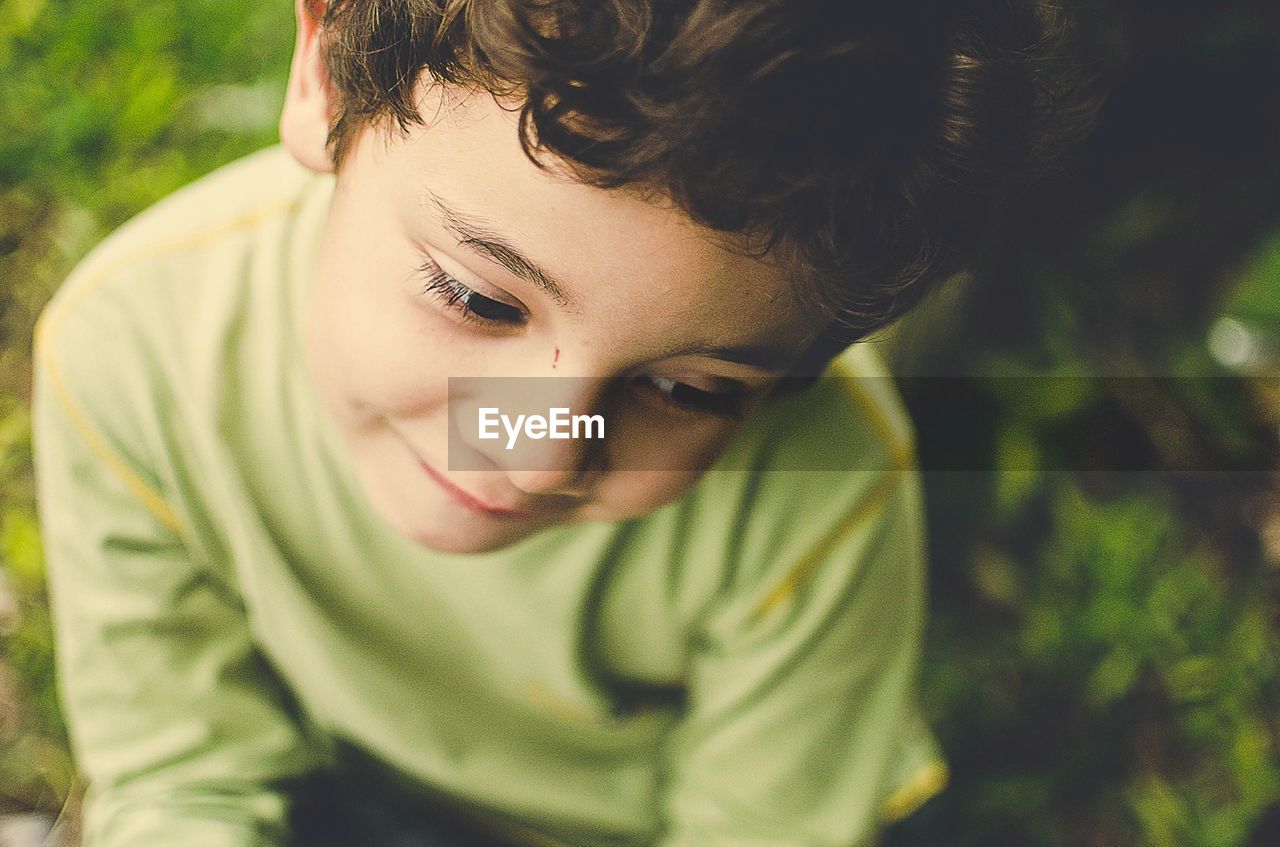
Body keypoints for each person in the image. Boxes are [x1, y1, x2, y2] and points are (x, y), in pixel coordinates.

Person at [31, 1, 1096, 845]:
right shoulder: (137, 347)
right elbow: (181, 775)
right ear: (322, 66)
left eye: (688, 391)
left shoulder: (826, 492)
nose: (532, 448)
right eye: (475, 298)